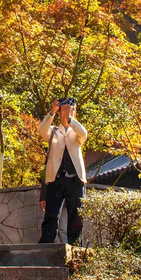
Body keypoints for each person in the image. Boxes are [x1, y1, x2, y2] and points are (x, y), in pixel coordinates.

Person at [38, 97, 87, 244]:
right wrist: (52, 112)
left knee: (76, 215)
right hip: (56, 179)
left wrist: (70, 119)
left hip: (75, 179)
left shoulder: (77, 132)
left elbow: (83, 134)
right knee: (51, 216)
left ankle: (75, 245)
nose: (66, 112)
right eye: (64, 110)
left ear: (75, 112)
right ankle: (45, 245)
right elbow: (42, 131)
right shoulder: (53, 132)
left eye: (70, 109)